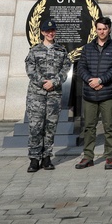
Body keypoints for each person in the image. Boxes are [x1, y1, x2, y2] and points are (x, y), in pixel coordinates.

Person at [75, 16, 112, 170]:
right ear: (95, 30)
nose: (102, 31)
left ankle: (109, 156)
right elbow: (80, 68)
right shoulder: (87, 48)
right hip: (90, 94)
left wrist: (101, 80)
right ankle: (88, 156)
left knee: (108, 126)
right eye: (99, 29)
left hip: (108, 94)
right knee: (89, 127)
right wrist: (91, 80)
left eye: (104, 29)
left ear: (109, 29)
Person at [24, 18, 71, 173]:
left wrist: (54, 82)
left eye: (53, 30)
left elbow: (66, 69)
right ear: (43, 32)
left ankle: (46, 158)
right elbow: (30, 70)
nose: (51, 33)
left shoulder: (61, 51)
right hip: (36, 95)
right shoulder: (34, 50)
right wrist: (43, 82)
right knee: (35, 127)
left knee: (50, 127)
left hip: (54, 94)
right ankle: (33, 159)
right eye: (47, 31)